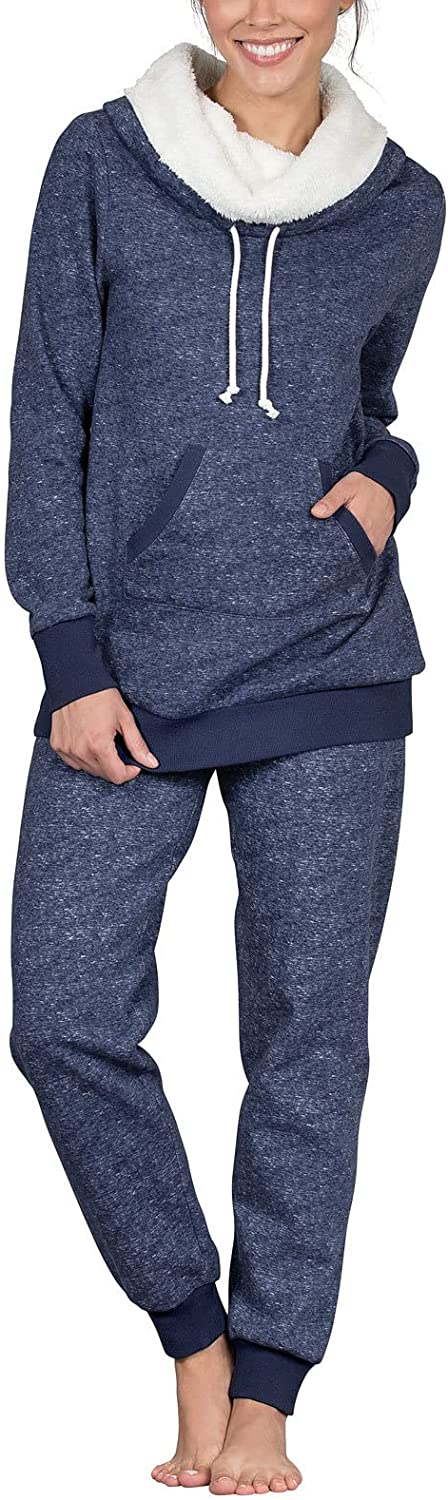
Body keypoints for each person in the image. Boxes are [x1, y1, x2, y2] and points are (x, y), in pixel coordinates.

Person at [5, 1, 445, 1492]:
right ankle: (192, 1330)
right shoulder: (103, 159)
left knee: (309, 1036)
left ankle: (268, 1387)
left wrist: (391, 472)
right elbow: (47, 408)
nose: (265, 10)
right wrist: (70, 654)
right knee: (65, 1015)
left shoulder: (405, 202)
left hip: (332, 657)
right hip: (127, 669)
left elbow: (368, 402)